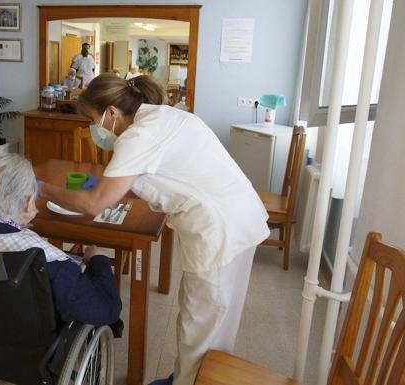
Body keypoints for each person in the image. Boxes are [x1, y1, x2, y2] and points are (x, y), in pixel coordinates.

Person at [37, 74, 270, 385]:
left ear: (111, 112)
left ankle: (192, 379)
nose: (92, 128)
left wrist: (43, 189)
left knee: (199, 329)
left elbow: (94, 204)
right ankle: (190, 377)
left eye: (91, 119)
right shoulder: (163, 116)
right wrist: (110, 187)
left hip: (220, 231)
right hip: (240, 218)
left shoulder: (139, 136)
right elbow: (152, 176)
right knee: (216, 323)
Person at [0, 153, 122, 326]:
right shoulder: (45, 260)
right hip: (29, 342)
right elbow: (108, 310)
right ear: (29, 202)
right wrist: (99, 260)